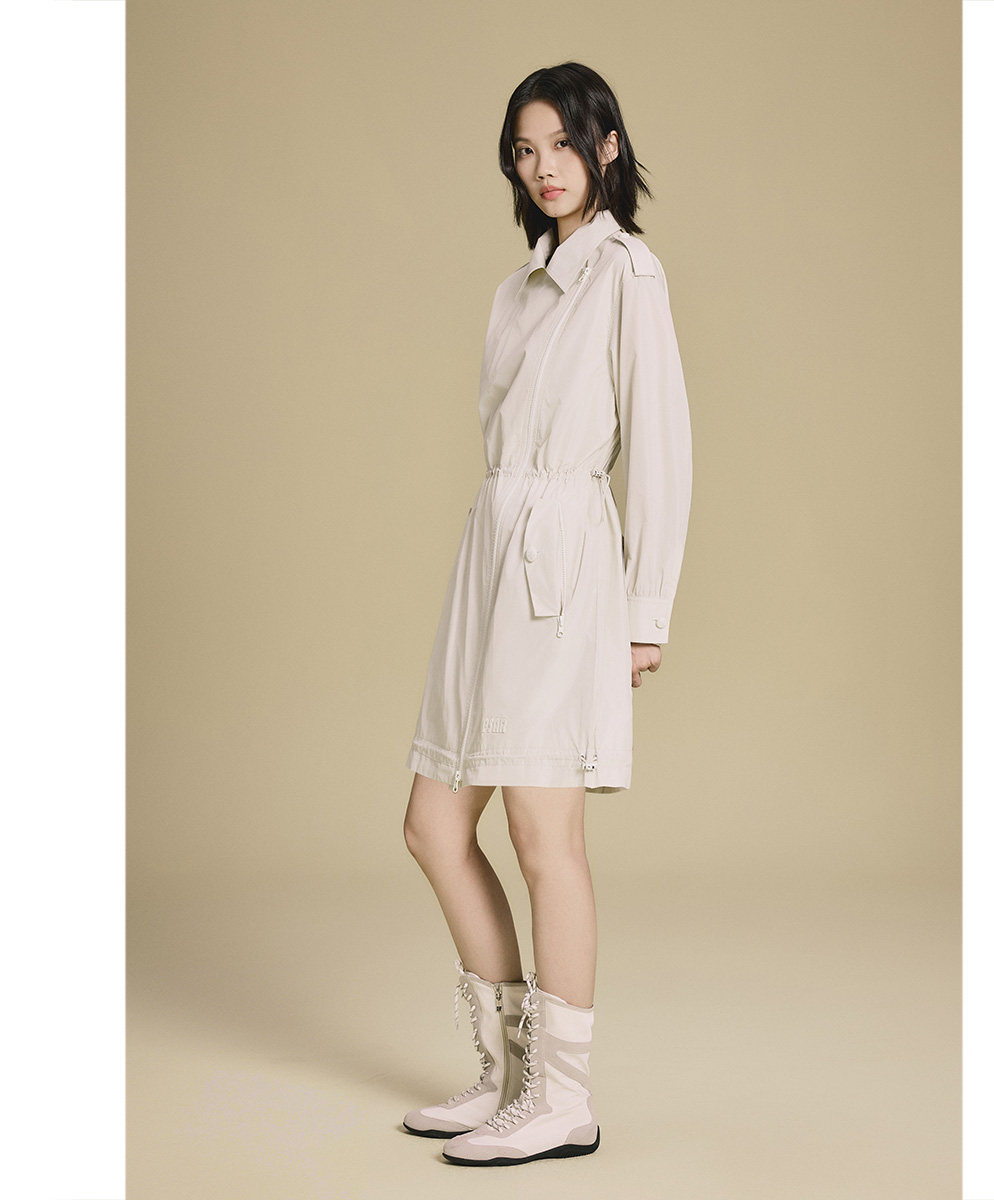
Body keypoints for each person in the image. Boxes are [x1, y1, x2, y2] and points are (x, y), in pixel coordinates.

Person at [400, 61, 693, 1167]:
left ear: (605, 144)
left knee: (541, 832)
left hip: (565, 569)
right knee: (434, 825)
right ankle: (508, 1077)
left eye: (562, 144)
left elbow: (661, 446)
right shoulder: (517, 288)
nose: (544, 168)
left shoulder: (628, 274)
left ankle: (563, 1098)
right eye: (525, 152)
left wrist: (646, 611)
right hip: (492, 556)